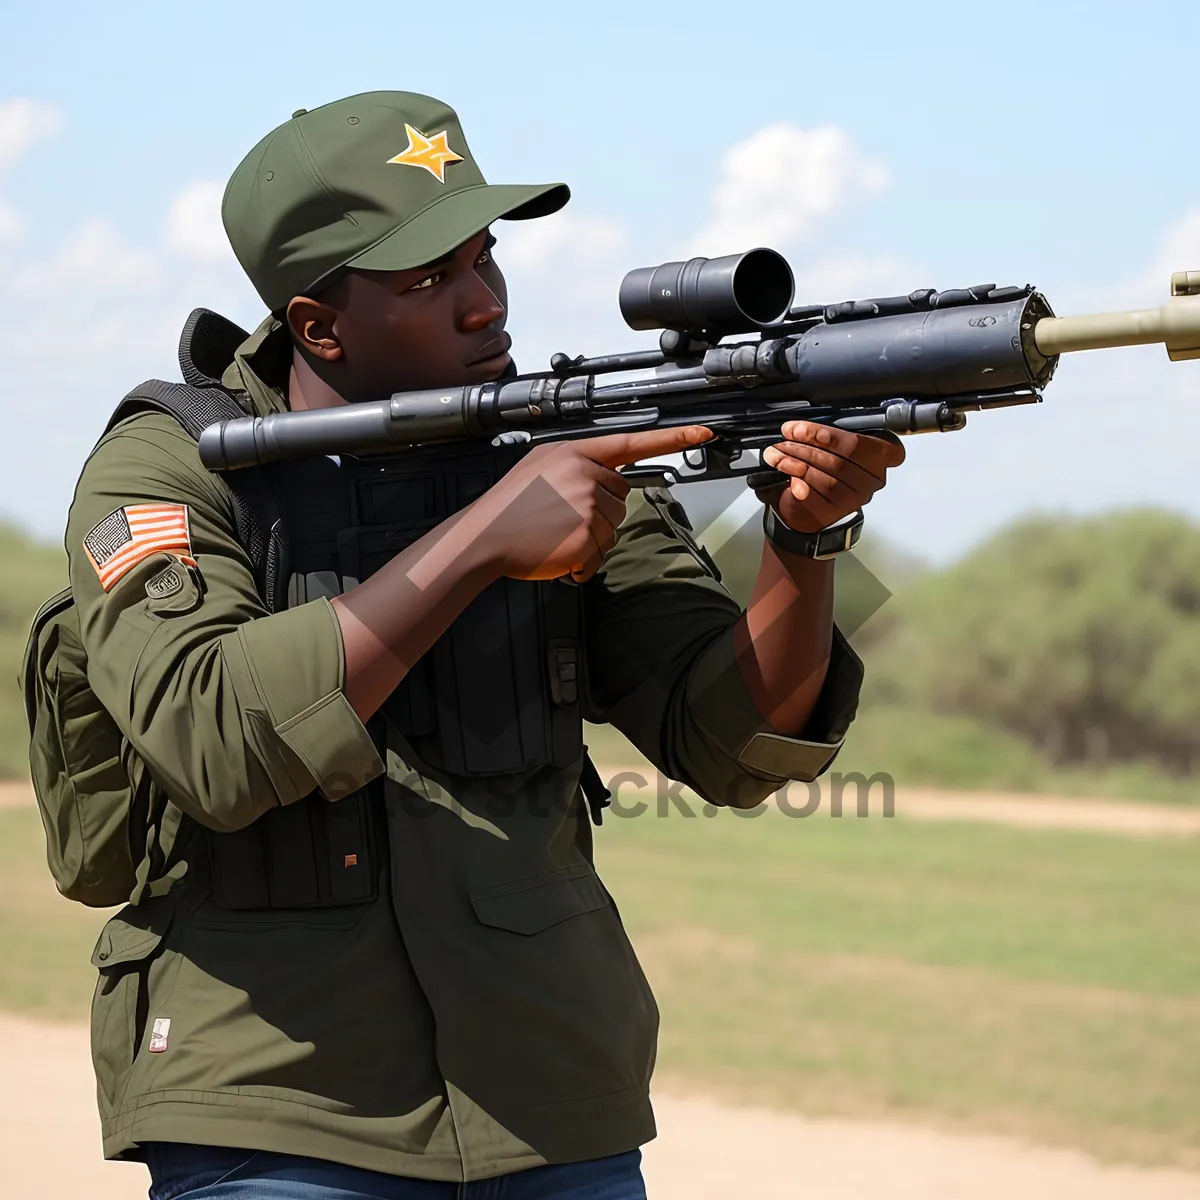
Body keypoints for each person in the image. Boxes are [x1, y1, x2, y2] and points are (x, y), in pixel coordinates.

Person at [65, 91, 904, 1200]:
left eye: (485, 260)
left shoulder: (560, 448)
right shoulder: (172, 466)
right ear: (319, 326)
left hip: (553, 1103)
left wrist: (806, 537)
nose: (482, 307)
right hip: (278, 1105)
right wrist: (480, 544)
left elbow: (735, 745)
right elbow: (213, 739)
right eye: (428, 281)